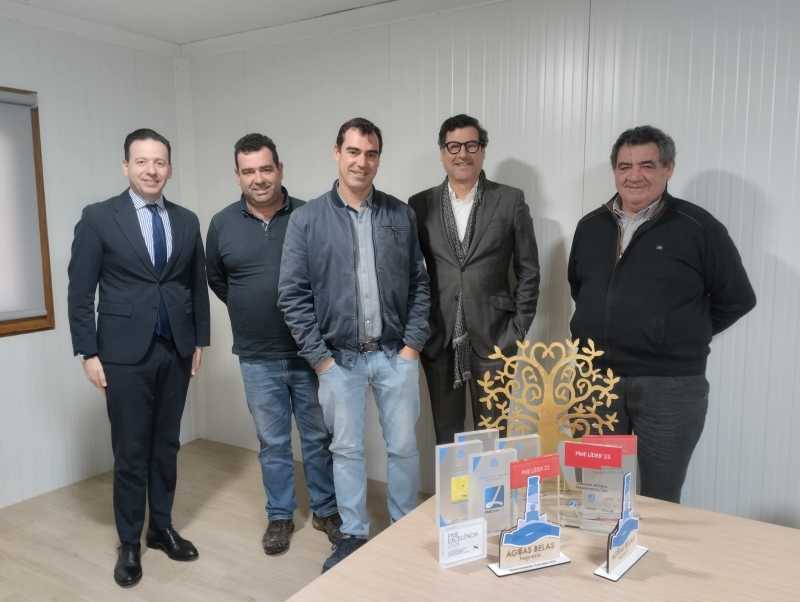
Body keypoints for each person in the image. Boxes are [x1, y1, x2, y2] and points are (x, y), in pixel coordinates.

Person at [567, 125, 756, 503]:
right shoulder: (589, 227)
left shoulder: (699, 228)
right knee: (596, 496)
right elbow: (580, 288)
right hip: (595, 381)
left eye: (647, 165)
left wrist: (678, 332)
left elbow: (737, 298)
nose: (634, 175)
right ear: (615, 171)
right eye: (625, 166)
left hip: (669, 387)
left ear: (668, 169)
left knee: (660, 499)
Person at [278, 117, 430, 572]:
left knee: (403, 447)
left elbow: (420, 284)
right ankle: (353, 534)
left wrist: (412, 346)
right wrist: (320, 361)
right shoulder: (307, 219)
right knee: (345, 451)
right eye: (353, 151)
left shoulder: (400, 214)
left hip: (395, 355)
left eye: (370, 153)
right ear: (337, 153)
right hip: (338, 361)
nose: (361, 162)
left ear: (378, 158)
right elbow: (292, 294)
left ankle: (404, 527)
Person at [67, 128, 210, 587]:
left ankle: (160, 528)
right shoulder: (98, 218)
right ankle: (129, 542)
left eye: (160, 162)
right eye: (142, 161)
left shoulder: (186, 220)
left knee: (166, 446)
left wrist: (199, 341)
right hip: (122, 354)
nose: (152, 170)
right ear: (126, 166)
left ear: (170, 168)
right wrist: (88, 352)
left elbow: (195, 285)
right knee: (130, 450)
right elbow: (80, 291)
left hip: (175, 349)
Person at [205, 133, 340, 556]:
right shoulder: (222, 224)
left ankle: (326, 510)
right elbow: (218, 280)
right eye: (248, 171)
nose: (258, 178)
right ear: (237, 175)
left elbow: (328, 275)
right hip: (256, 355)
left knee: (318, 437)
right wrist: (251, 306)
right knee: (273, 442)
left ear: (279, 169)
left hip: (309, 353)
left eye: (266, 169)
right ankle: (280, 515)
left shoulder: (309, 215)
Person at [409, 114, 540, 444]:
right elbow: (411, 273)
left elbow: (529, 270)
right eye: (453, 146)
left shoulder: (510, 200)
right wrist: (420, 327)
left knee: (493, 436)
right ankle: (453, 484)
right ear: (442, 152)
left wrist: (517, 330)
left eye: (471, 145)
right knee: (447, 435)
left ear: (482, 150)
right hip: (439, 337)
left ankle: (490, 485)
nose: (462, 154)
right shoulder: (420, 204)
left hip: (496, 337)